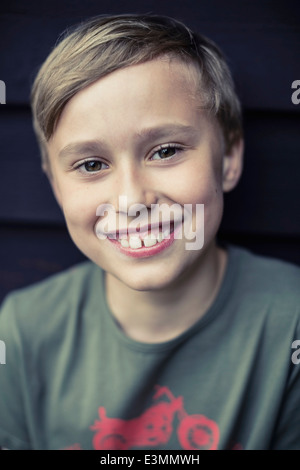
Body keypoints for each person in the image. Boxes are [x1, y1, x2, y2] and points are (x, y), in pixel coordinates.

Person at [0, 14, 299, 451]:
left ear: (229, 157)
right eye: (91, 164)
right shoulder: (22, 331)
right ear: (54, 184)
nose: (131, 200)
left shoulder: (290, 326)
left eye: (165, 151)